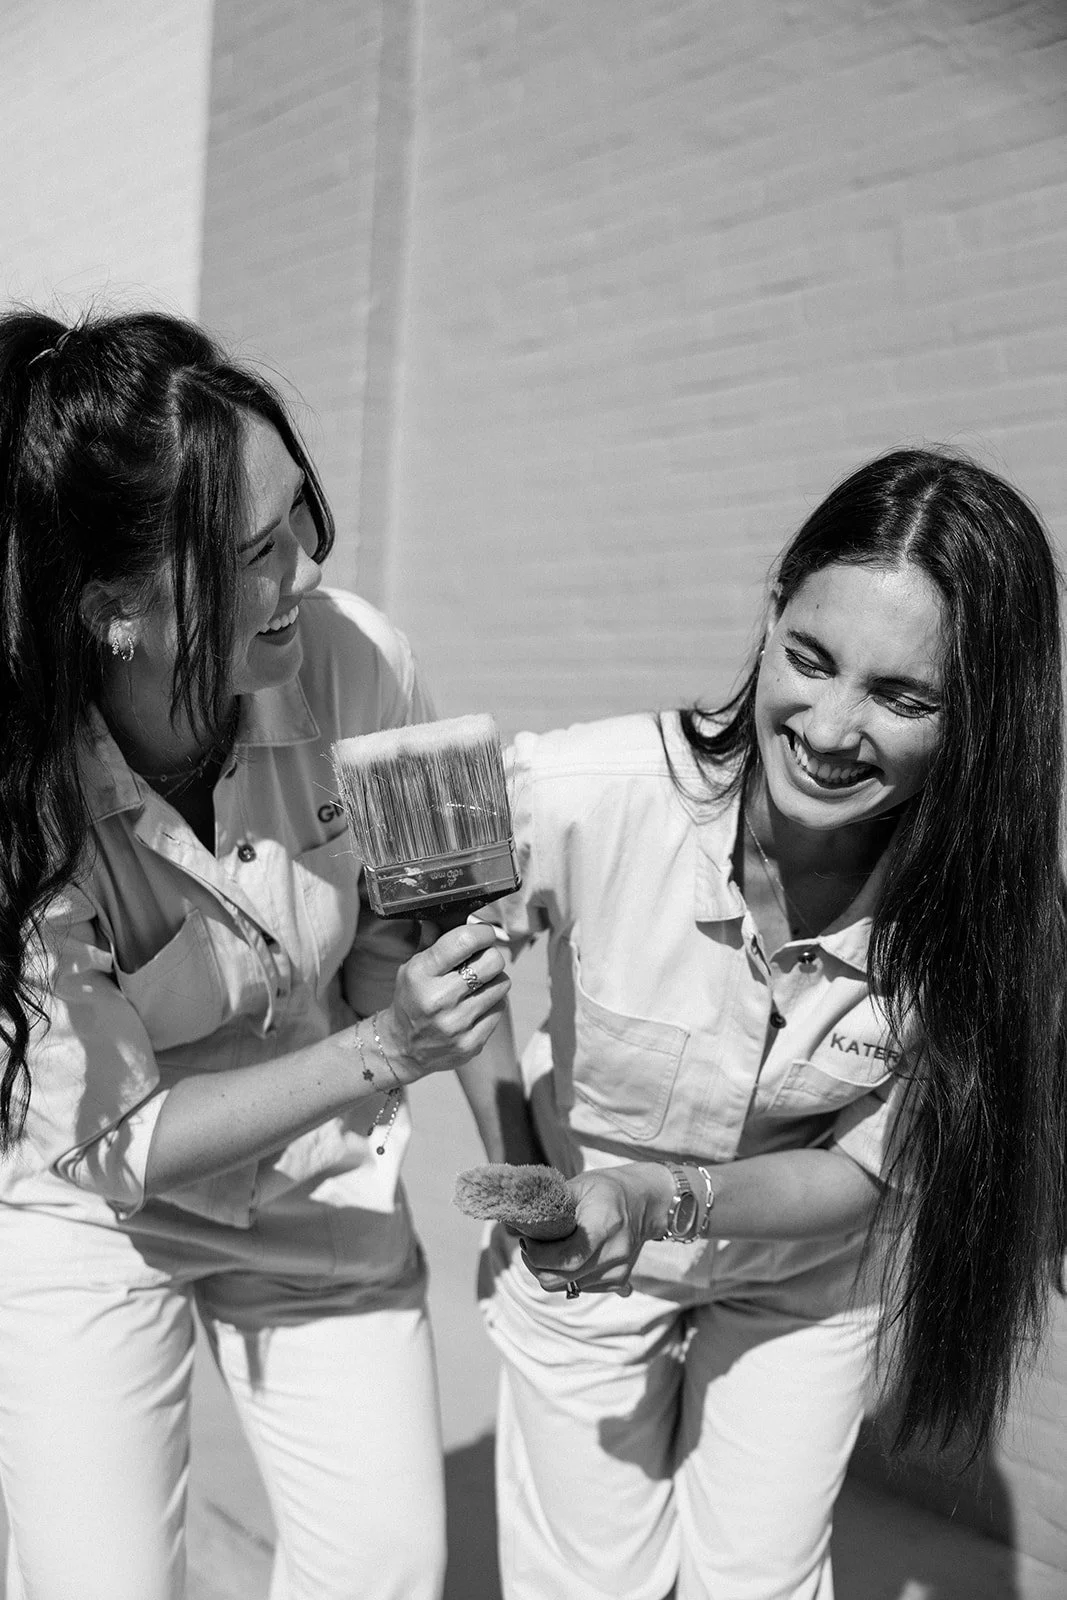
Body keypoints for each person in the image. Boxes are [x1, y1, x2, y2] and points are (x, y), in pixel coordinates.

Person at [476, 449, 1067, 1600]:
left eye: (901, 698)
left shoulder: (987, 916)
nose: (831, 728)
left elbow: (863, 1173)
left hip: (801, 1274)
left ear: (978, 716)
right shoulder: (588, 789)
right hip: (581, 1250)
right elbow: (421, 948)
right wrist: (525, 1184)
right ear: (772, 608)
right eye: (809, 658)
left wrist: (662, 1198)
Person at [0, 309, 527, 1600]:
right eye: (251, 552)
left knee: (388, 1567)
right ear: (113, 611)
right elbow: (117, 1141)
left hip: (316, 1179)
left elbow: (452, 923)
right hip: (92, 1208)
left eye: (298, 514)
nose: (304, 564)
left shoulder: (367, 657)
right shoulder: (18, 790)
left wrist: (527, 1177)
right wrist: (387, 1042)